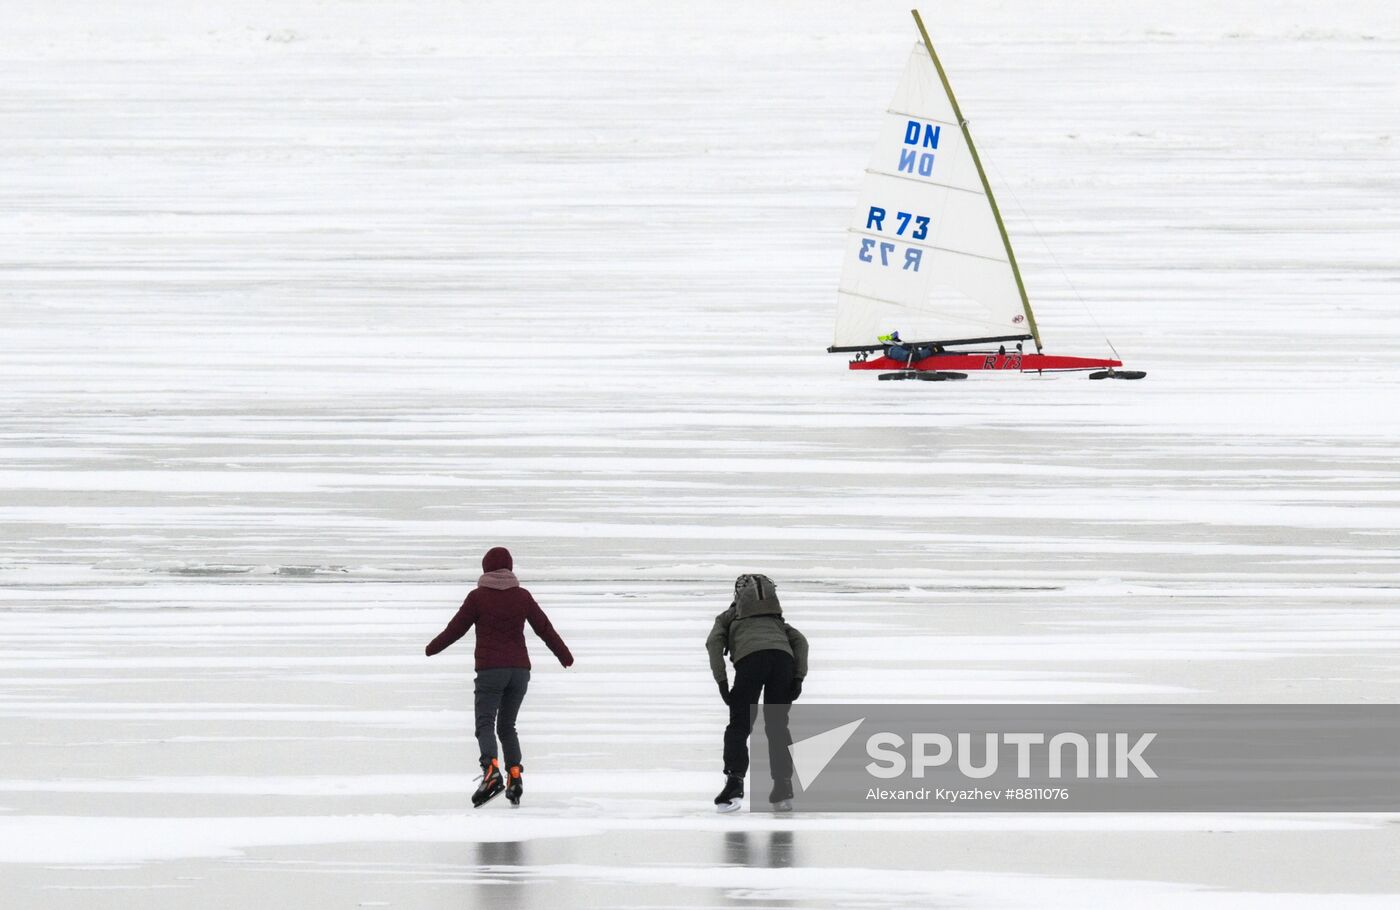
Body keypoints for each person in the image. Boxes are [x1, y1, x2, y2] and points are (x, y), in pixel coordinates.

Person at [425, 546, 573, 808]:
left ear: (485, 568)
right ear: (510, 568)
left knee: (485, 722)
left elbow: (455, 629)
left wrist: (432, 648)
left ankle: (491, 772)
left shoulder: (477, 597)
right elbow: (545, 629)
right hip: (519, 673)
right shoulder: (522, 596)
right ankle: (514, 777)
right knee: (507, 726)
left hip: (490, 671)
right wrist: (565, 656)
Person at [706, 574, 809, 811]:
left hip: (750, 661)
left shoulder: (729, 617)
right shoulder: (777, 621)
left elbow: (713, 644)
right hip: (782, 661)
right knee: (777, 726)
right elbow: (801, 642)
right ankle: (783, 786)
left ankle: (734, 784)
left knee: (739, 726)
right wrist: (798, 677)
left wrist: (722, 682)